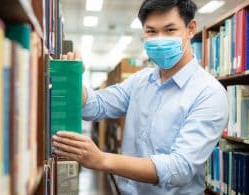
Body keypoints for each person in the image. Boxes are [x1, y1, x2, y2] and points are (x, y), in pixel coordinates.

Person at [52, 0, 228, 194]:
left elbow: (180, 168)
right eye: (151, 31)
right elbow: (97, 105)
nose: (160, 39)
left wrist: (102, 159)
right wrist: (72, 82)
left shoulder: (209, 93)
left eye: (170, 30)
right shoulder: (140, 81)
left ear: (190, 29)